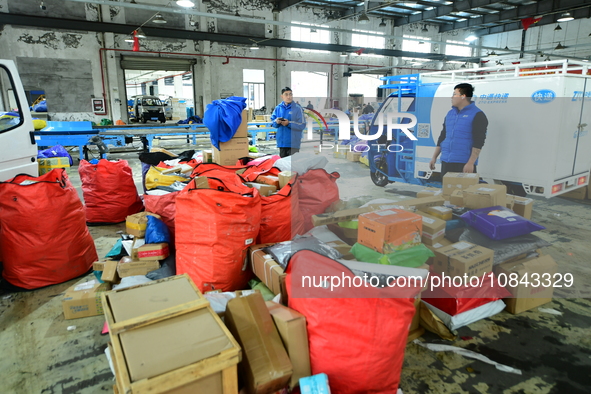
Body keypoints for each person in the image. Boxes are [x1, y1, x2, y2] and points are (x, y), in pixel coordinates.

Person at [429, 83, 488, 177]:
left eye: (454, 94)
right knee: (447, 191)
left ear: (463, 96)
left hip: (463, 163)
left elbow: (479, 141)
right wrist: (434, 157)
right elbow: (443, 136)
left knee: (463, 191)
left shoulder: (478, 115)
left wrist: (470, 163)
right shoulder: (450, 114)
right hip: (446, 162)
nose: (451, 97)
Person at [271, 87, 306, 158]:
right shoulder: (278, 108)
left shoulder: (297, 108)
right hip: (282, 143)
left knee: (293, 165)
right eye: (286, 94)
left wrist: (289, 123)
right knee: (283, 166)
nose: (289, 96)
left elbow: (302, 125)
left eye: (290, 94)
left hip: (293, 143)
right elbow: (272, 122)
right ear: (282, 96)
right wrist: (276, 122)